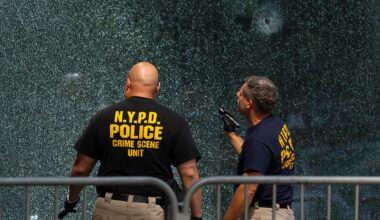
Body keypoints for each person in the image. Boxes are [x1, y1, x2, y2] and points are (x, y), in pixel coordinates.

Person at [58, 61, 202, 220]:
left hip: (109, 209)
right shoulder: (174, 121)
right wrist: (196, 216)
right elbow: (189, 174)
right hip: (151, 212)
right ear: (158, 87)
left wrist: (72, 199)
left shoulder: (103, 117)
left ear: (127, 84)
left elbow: (80, 169)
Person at [221, 76, 295, 220]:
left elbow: (248, 189)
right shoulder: (277, 124)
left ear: (249, 103)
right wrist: (231, 134)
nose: (237, 94)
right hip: (280, 212)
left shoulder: (259, 138)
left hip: (264, 214)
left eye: (241, 94)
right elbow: (258, 159)